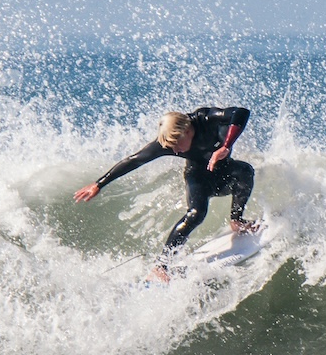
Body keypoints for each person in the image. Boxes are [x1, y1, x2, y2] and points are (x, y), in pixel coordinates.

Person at [74, 106, 258, 282]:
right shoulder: (170, 143)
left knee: (245, 171)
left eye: (176, 145)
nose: (175, 151)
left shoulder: (205, 119)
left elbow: (240, 113)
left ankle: (237, 220)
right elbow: (133, 160)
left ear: (187, 131)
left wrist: (226, 146)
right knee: (195, 214)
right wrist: (99, 184)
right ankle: (161, 267)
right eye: (171, 148)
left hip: (225, 172)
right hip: (198, 177)